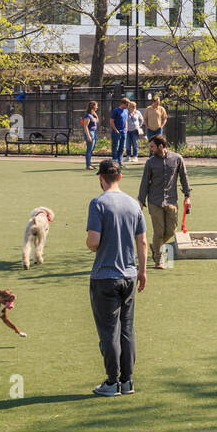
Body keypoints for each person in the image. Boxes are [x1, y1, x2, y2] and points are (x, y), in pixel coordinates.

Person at [86, 159, 147, 397]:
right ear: (119, 177)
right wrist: (143, 270)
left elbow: (93, 242)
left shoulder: (98, 204)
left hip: (105, 276)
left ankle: (112, 382)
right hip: (130, 275)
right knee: (127, 329)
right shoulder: (134, 204)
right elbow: (142, 240)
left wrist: (92, 246)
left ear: (101, 178)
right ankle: (127, 381)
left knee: (109, 331)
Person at [138, 135, 191, 270]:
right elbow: (145, 182)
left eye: (152, 146)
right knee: (159, 232)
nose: (150, 149)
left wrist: (187, 196)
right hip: (154, 201)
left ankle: (155, 246)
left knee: (172, 230)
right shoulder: (150, 162)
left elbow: (184, 177)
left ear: (161, 146)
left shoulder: (177, 158)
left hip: (172, 200)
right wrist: (140, 200)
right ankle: (158, 259)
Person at [110, 98, 129, 166]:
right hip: (116, 132)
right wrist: (116, 130)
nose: (127, 106)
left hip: (124, 132)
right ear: (123, 103)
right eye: (127, 105)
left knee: (122, 147)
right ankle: (115, 162)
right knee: (115, 147)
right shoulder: (116, 111)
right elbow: (111, 121)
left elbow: (126, 120)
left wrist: (126, 129)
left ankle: (120, 162)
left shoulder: (126, 111)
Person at [81, 101, 99, 171]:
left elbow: (97, 121)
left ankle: (90, 164)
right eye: (96, 106)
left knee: (91, 150)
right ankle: (88, 165)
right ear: (93, 107)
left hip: (94, 133)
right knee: (89, 150)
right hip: (90, 133)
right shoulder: (87, 116)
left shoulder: (92, 115)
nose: (97, 107)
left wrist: (95, 114)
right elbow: (85, 127)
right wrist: (88, 136)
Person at [126, 100, 143, 164]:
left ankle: (135, 156)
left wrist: (138, 126)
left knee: (135, 143)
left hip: (135, 130)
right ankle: (128, 156)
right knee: (128, 144)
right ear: (129, 107)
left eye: (134, 106)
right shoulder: (126, 112)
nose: (133, 108)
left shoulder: (137, 112)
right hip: (128, 130)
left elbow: (141, 120)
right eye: (132, 106)